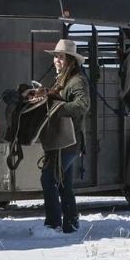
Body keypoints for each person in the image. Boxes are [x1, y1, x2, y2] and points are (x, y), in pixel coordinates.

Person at [26, 39, 90, 233]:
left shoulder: (77, 80)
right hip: (62, 140)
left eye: (61, 57)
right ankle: (70, 223)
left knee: (48, 179)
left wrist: (57, 108)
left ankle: (53, 224)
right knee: (63, 183)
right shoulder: (61, 79)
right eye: (55, 57)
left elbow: (83, 105)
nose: (57, 61)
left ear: (70, 60)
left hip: (70, 141)